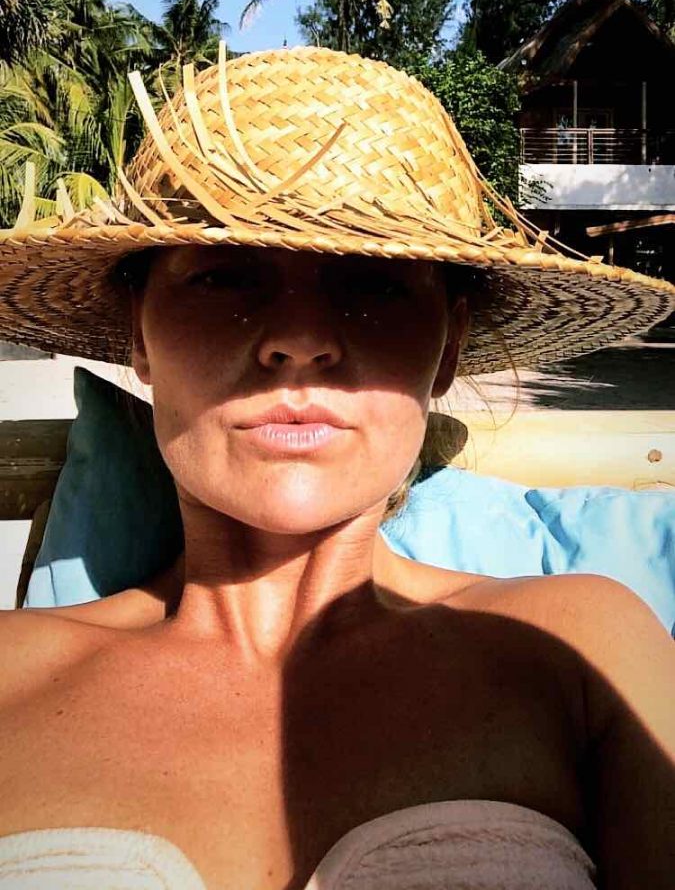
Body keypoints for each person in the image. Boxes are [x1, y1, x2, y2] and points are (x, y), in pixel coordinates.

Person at [0, 46, 673, 889]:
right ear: (139, 333)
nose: (300, 339)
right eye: (224, 277)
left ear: (447, 348)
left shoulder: (578, 645)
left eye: (376, 284)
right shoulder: (13, 670)